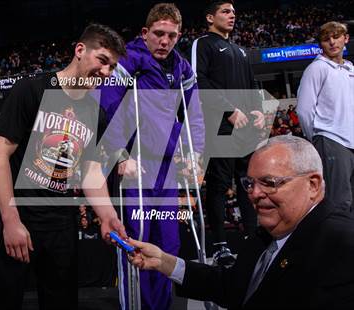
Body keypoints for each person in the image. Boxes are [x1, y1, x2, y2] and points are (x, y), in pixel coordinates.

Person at [0, 24, 127, 310]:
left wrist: (108, 214)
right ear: (79, 50)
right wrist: (10, 221)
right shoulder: (32, 89)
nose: (106, 73)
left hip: (62, 224)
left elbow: (91, 173)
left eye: (112, 66)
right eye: (102, 60)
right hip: (19, 217)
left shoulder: (94, 112)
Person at [128, 135, 354, 309]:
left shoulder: (342, 244)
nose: (254, 193)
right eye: (249, 183)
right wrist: (163, 262)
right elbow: (232, 287)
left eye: (269, 182)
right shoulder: (264, 237)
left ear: (313, 184)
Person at [100, 3, 205, 309]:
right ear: (145, 33)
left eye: (171, 35)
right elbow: (108, 104)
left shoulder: (182, 67)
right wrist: (119, 152)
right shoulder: (129, 58)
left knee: (168, 244)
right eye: (158, 34)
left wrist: (195, 154)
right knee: (136, 239)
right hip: (136, 163)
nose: (165, 41)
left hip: (168, 167)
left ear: (179, 35)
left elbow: (194, 114)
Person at [190, 0, 264, 267]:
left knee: (248, 184)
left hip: (246, 130)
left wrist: (257, 110)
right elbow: (199, 81)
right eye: (225, 11)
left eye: (233, 11)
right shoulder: (204, 44)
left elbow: (252, 84)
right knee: (220, 186)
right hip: (219, 126)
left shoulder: (241, 51)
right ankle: (220, 246)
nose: (232, 15)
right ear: (210, 17)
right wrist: (228, 110)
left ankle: (252, 240)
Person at [297, 21, 354, 212]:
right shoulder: (316, 68)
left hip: (351, 141)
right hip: (331, 140)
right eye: (326, 39)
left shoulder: (350, 68)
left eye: (336, 36)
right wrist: (316, 139)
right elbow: (304, 110)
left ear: (345, 39)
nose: (332, 42)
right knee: (340, 202)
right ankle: (339, 242)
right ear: (320, 44)